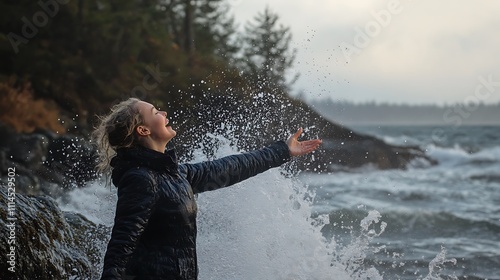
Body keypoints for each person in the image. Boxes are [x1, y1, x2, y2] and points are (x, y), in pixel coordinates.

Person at [93, 97, 322, 280]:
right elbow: (122, 243)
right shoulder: (140, 179)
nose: (163, 114)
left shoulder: (176, 174)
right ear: (143, 130)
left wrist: (283, 151)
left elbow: (230, 168)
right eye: (155, 113)